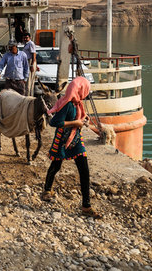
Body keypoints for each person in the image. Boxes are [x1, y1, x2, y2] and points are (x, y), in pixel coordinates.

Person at [41, 77, 102, 219]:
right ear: (80, 90)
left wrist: (83, 121)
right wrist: (76, 122)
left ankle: (86, 206)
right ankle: (47, 190)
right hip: (62, 140)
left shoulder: (78, 103)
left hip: (75, 140)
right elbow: (55, 122)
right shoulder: (68, 104)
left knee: (84, 171)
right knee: (56, 165)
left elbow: (79, 119)